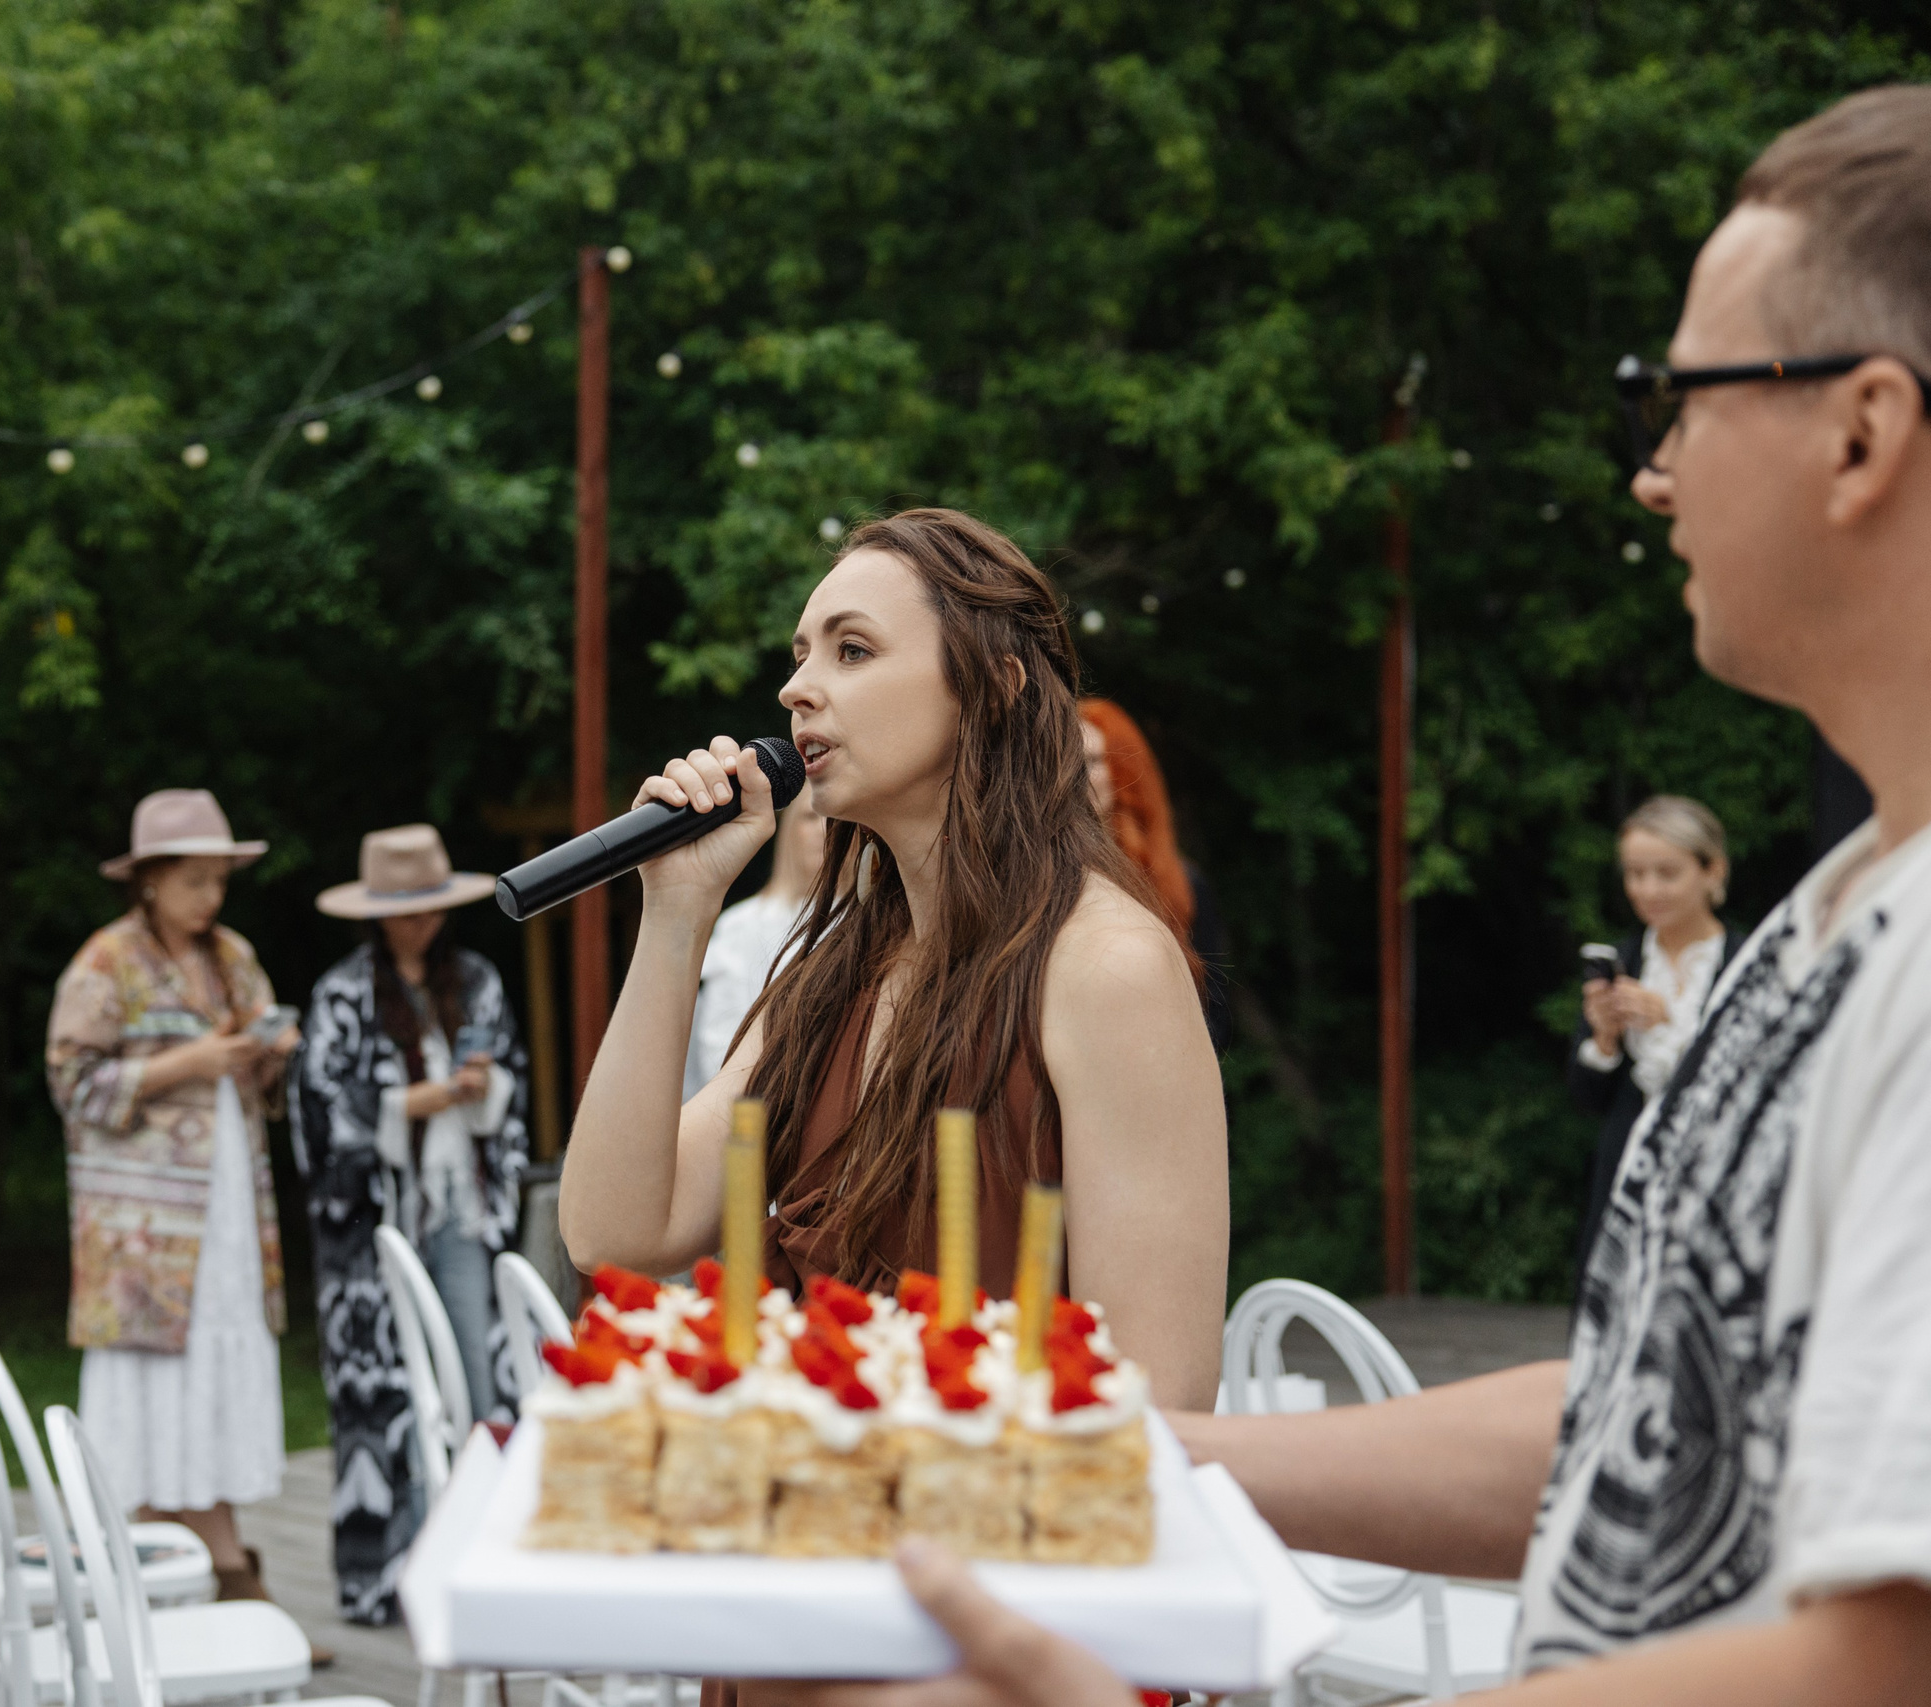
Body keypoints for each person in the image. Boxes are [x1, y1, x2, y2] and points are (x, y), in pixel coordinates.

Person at [773, 86, 1931, 1707]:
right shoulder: (1840, 918)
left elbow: (1885, 1653)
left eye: (1680, 400)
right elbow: (1633, 1425)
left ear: (1865, 430)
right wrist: (1125, 1449)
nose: (1654, 471)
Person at [558, 507, 1229, 1415]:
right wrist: (677, 915)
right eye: (800, 654)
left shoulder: (1107, 968)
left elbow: (1159, 1395)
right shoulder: (839, 969)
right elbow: (613, 1231)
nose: (797, 687)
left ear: (991, 686)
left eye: (852, 650)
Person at [47, 787, 304, 1613]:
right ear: (150, 879)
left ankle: (211, 1559)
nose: (211, 896)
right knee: (159, 1376)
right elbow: (72, 1082)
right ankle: (180, 1567)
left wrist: (269, 1053)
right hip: (143, 1222)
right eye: (195, 880)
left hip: (227, 1197)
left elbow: (251, 1071)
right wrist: (186, 1064)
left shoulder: (233, 955)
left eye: (218, 879)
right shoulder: (105, 962)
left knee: (216, 1362)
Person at [291, 823, 530, 1625]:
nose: (420, 922)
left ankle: (485, 1554)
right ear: (376, 913)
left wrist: (482, 1090)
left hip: (461, 1205)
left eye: (431, 907)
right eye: (405, 909)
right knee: (382, 1393)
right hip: (373, 1228)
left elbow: (513, 1087)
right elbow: (320, 1118)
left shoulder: (479, 979)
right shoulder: (341, 994)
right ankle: (390, 1570)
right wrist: (422, 1102)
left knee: (479, 1370)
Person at [1567, 794, 1743, 1270]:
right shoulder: (1622, 962)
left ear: (1712, 871)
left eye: (1666, 873)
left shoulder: (1749, 964)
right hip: (1627, 1179)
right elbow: (1585, 1099)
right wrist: (1603, 1040)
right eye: (1635, 873)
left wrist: (1670, 1022)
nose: (1648, 890)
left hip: (1719, 1181)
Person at [1078, 700, 1232, 1050]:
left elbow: (1216, 1018)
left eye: (1090, 762)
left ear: (1124, 770)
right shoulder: (1044, 880)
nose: (1076, 777)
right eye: (1066, 762)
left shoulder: (1183, 886)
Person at [684, 788, 829, 1098]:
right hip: (755, 1109)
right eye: (810, 817)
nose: (824, 829)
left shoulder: (879, 918)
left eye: (837, 820)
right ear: (789, 830)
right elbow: (718, 1044)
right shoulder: (741, 924)